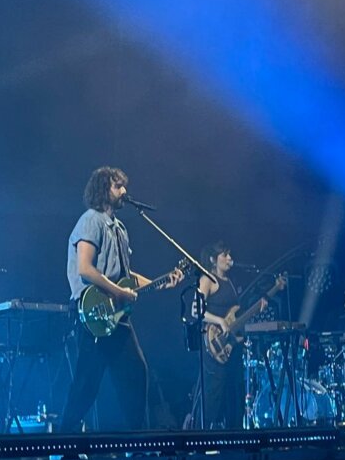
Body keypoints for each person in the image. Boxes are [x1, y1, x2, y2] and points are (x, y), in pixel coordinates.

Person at [59, 166, 178, 432]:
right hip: (92, 312)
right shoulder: (91, 220)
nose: (124, 191)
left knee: (136, 373)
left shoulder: (120, 229)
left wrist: (160, 283)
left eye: (123, 186)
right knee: (86, 384)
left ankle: (136, 442)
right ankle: (63, 440)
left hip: (117, 315)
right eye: (117, 186)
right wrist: (118, 293)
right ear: (103, 190)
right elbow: (85, 269)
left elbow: (126, 275)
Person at [187, 241, 246, 430]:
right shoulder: (207, 280)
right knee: (212, 393)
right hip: (212, 347)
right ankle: (198, 437)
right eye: (225, 255)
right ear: (213, 259)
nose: (230, 259)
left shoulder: (229, 282)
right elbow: (196, 310)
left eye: (230, 255)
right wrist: (219, 321)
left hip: (230, 346)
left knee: (234, 392)